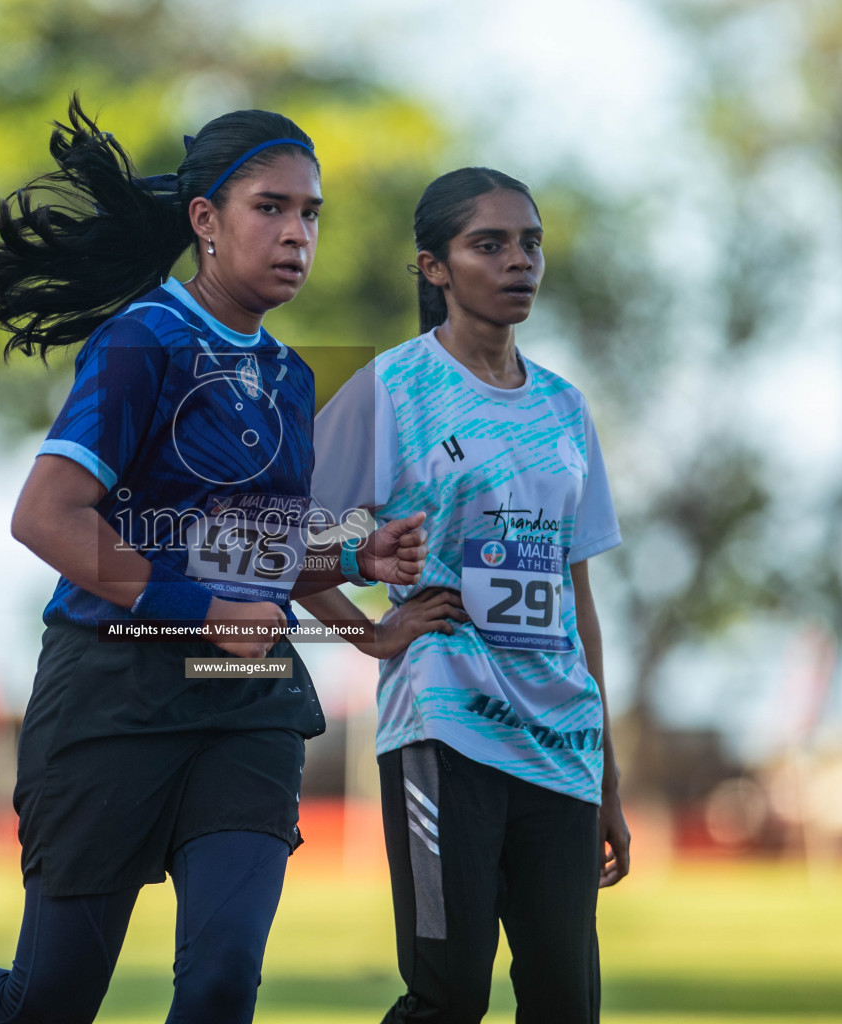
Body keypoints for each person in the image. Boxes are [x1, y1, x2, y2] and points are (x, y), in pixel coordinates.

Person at [0, 98, 431, 1024]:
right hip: (112, 698)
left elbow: (253, 549)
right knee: (45, 1004)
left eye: (311, 213)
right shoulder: (142, 342)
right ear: (204, 221)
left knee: (220, 984)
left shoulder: (290, 376)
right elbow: (47, 517)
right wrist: (202, 612)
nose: (297, 234)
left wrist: (358, 573)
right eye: (270, 208)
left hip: (244, 706)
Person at [300, 167, 632, 1023]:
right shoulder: (392, 391)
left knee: (568, 1004)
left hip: (560, 745)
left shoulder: (565, 408)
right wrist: (373, 632)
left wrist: (608, 773)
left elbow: (577, 600)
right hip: (444, 730)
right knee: (448, 999)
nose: (519, 261)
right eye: (490, 244)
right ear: (434, 267)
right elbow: (288, 547)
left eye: (531, 243)